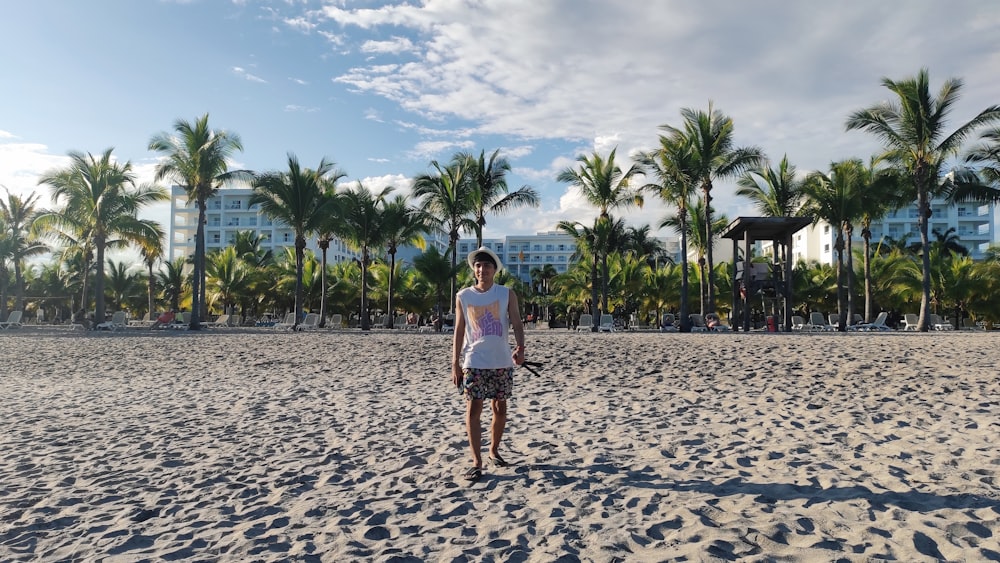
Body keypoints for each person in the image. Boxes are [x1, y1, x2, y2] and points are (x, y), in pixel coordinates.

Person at [452, 246, 525, 483]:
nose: (482, 270)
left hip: (502, 360)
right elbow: (459, 330)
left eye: (487, 266)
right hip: (474, 361)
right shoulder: (463, 296)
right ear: (474, 270)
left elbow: (516, 322)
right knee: (474, 410)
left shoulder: (506, 294)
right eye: (478, 266)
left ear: (495, 269)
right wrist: (455, 362)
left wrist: (520, 348)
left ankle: (493, 450)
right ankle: (476, 462)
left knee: (500, 409)